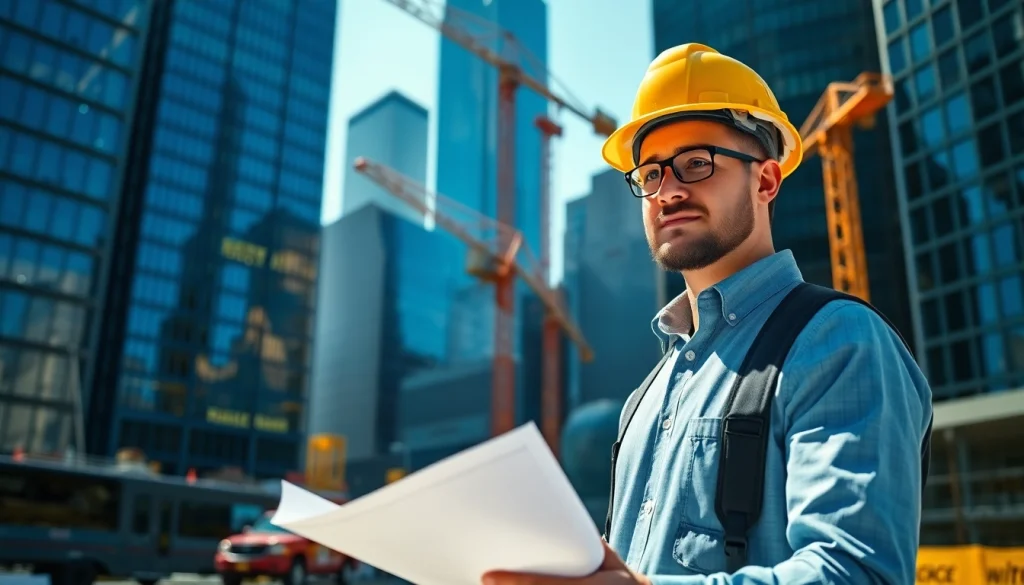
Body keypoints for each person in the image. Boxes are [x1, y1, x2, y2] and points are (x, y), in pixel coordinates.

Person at [481, 43, 933, 585]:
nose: (667, 191)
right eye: (650, 174)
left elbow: (858, 574)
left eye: (696, 163)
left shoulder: (838, 342)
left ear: (765, 181)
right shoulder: (646, 397)